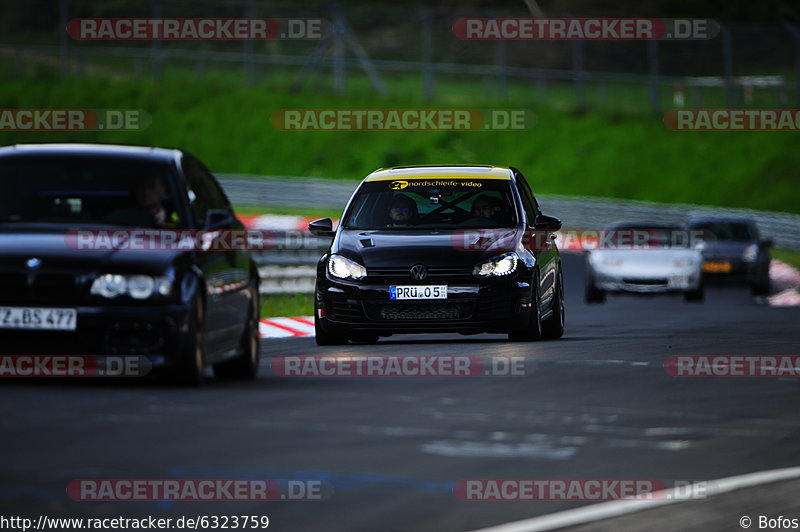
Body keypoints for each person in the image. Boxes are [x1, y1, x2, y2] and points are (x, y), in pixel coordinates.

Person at [105, 175, 175, 228]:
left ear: (163, 189)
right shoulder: (118, 218)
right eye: (141, 186)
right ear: (135, 189)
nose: (146, 192)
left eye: (151, 186)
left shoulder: (177, 216)